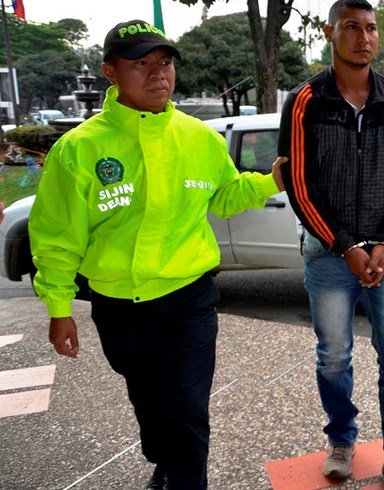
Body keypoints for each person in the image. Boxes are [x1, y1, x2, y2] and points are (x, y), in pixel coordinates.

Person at [29, 20, 284, 490]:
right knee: (149, 403)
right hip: (118, 305)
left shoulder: (199, 138)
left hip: (189, 298)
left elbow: (223, 197)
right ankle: (163, 457)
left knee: (188, 406)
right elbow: (56, 238)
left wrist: (271, 181)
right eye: (140, 64)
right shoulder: (79, 150)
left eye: (164, 63)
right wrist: (58, 308)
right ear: (110, 71)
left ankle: (184, 479)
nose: (156, 74)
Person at [276, 2, 384, 489]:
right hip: (327, 255)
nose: (363, 37)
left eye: (370, 28)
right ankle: (342, 439)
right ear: (330, 33)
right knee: (334, 355)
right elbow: (300, 185)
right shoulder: (306, 100)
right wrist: (345, 246)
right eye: (352, 27)